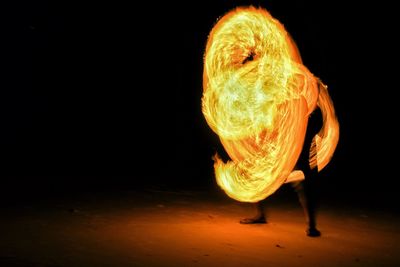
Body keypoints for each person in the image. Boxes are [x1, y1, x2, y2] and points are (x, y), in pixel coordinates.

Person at [240, 101, 323, 238]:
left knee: (302, 182)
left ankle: (311, 225)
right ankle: (260, 214)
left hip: (296, 139)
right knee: (255, 173)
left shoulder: (299, 100)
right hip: (278, 138)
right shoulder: (275, 99)